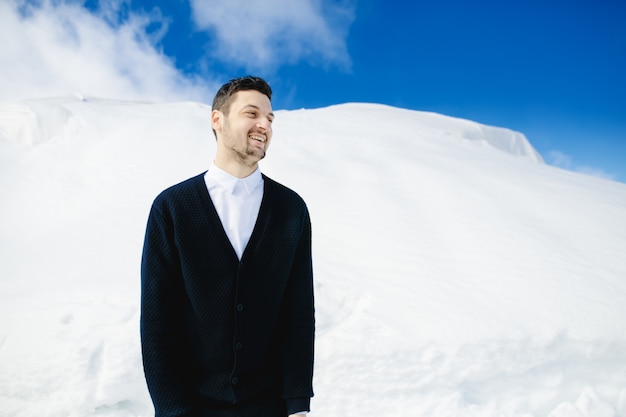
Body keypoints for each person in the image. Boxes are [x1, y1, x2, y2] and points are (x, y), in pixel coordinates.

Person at [140, 76, 315, 417]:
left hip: (270, 407)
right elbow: (157, 322)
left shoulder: (291, 209)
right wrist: (172, 409)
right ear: (217, 120)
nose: (264, 124)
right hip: (192, 407)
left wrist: (297, 404)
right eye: (252, 113)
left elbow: (298, 315)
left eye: (270, 118)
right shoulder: (173, 208)